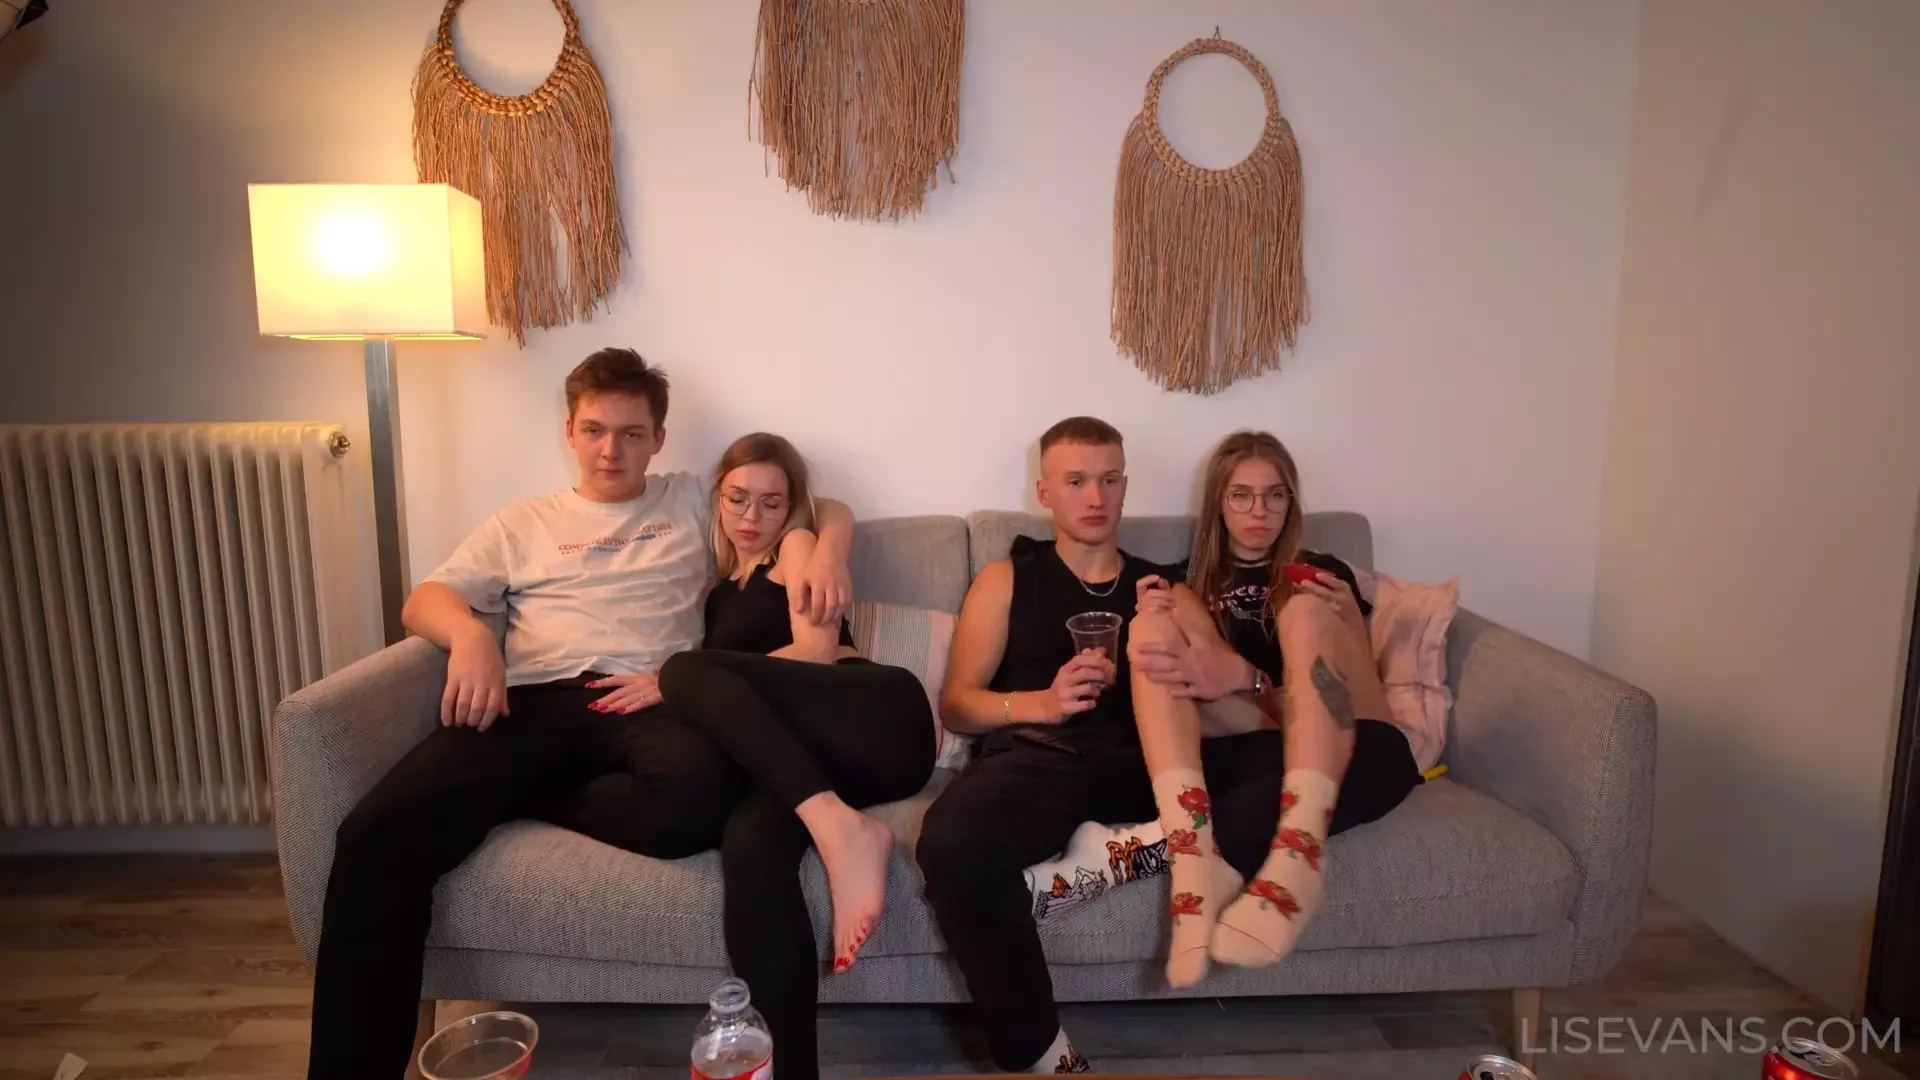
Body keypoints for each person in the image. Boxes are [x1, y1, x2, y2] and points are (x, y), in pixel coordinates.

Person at [305, 348, 857, 1080]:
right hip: (533, 702)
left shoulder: (694, 500)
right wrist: (471, 635)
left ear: (658, 439)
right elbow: (425, 600)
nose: (610, 450)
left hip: (646, 703)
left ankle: (530, 796)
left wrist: (824, 547)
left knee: (700, 801)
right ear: (570, 430)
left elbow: (812, 502)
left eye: (632, 433)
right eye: (595, 430)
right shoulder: (522, 521)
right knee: (373, 836)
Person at [917, 417, 1293, 1075]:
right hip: (1042, 759)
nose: (1096, 497)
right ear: (1044, 492)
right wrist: (1042, 702)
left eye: (1110, 480)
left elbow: (1237, 717)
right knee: (951, 842)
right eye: (1076, 481)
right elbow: (958, 704)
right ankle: (1042, 1053)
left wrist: (1192, 652)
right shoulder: (1009, 578)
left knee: (1311, 766)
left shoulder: (1167, 590)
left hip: (1149, 766)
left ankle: (1142, 845)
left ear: (1125, 485)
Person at [645, 433, 937, 1080]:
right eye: (738, 499)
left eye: (771, 503)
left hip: (876, 715)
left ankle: (849, 836)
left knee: (683, 672)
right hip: (820, 764)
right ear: (717, 499)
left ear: (791, 508)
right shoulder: (716, 590)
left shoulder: (794, 550)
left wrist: (695, 680)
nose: (752, 517)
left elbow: (816, 651)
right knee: (749, 843)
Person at [1128, 430, 1420, 986]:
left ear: (1291, 503)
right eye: (1241, 495)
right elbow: (1200, 687)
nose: (1258, 511)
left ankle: (1293, 852)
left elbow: (1366, 710)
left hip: (1339, 737)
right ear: (1218, 503)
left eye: (1274, 495)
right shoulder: (1186, 584)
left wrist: (1255, 676)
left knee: (1305, 616)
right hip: (1249, 740)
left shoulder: (1321, 573)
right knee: (1150, 627)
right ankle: (1192, 855)